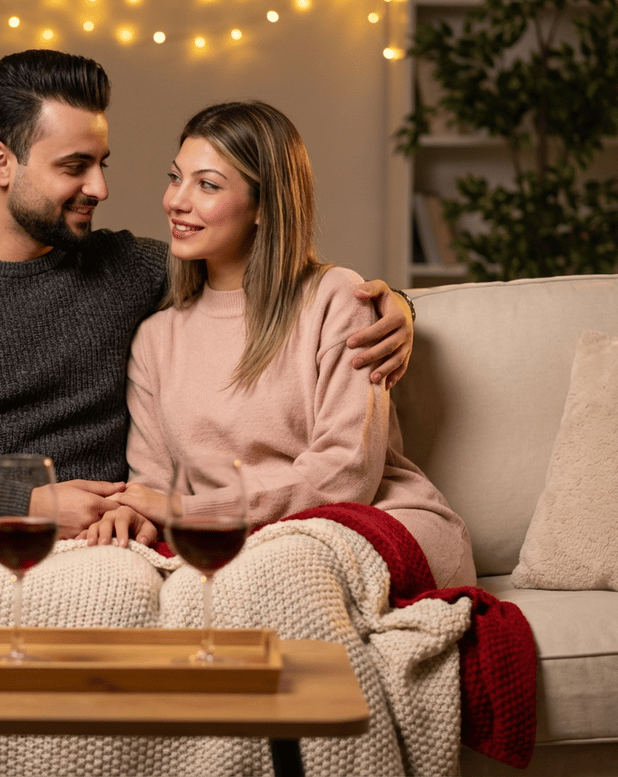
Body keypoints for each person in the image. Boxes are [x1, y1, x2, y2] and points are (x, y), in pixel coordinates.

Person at [0, 49, 417, 541]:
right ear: (0, 161)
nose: (101, 188)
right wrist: (27, 499)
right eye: (75, 166)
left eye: (101, 163)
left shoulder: (128, 268)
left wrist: (397, 307)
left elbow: (259, 272)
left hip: (102, 539)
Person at [84, 100, 475, 588]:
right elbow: (154, 486)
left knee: (271, 576)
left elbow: (345, 472)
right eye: (175, 177)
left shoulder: (337, 298)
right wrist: (135, 515)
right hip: (235, 540)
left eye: (206, 184)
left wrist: (187, 509)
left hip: (364, 520)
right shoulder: (155, 339)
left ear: (265, 206)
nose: (176, 201)